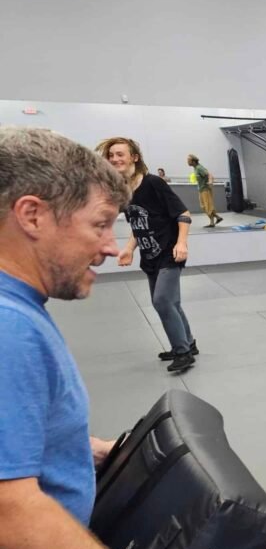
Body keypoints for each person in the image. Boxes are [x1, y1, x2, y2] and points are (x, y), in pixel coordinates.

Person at [0, 127, 210, 549]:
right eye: (98, 224)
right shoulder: (8, 328)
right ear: (32, 215)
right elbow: (6, 513)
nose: (107, 245)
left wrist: (70, 448)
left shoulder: (19, 310)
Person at [97, 137, 197, 373]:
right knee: (171, 302)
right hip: (150, 255)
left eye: (120, 154)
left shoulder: (153, 183)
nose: (115, 159)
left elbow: (183, 214)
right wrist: (130, 249)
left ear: (134, 157)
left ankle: (182, 353)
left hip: (169, 252)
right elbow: (139, 225)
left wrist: (182, 243)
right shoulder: (123, 191)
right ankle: (189, 343)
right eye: (111, 155)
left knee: (162, 301)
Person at [187, 154, 221, 228]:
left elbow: (209, 175)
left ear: (193, 161)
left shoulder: (199, 168)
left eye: (188, 160)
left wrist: (210, 181)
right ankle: (217, 217)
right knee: (203, 206)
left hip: (206, 189)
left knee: (208, 206)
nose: (187, 162)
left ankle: (212, 222)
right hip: (201, 189)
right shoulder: (195, 168)